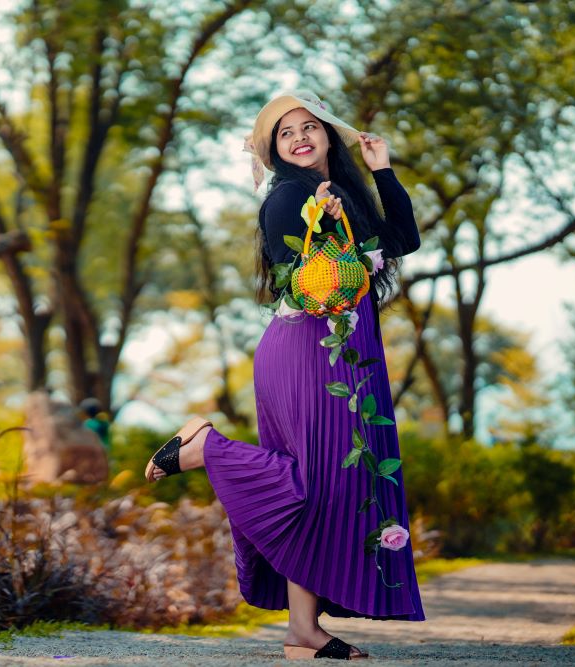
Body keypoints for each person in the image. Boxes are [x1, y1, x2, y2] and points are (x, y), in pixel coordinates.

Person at [143, 90, 425, 660]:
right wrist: (326, 223)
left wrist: (383, 171)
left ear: (326, 135)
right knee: (319, 483)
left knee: (330, 490)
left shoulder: (343, 193)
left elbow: (404, 239)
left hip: (350, 353)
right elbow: (297, 283)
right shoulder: (287, 197)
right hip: (309, 351)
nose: (299, 137)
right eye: (284, 132)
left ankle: (303, 631)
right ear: (273, 149)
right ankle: (206, 450)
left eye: (308, 127)